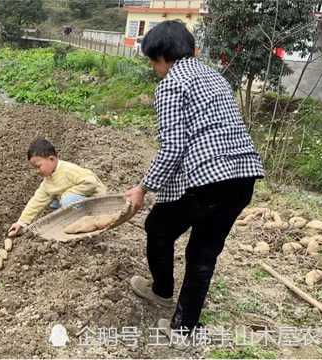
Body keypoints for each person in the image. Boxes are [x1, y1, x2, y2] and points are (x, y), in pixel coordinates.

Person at [123, 20, 264, 339]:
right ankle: (183, 327)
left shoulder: (171, 85)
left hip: (209, 181)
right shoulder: (215, 77)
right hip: (243, 177)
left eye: (152, 61)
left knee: (158, 227)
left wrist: (143, 188)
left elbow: (173, 147)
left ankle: (161, 291)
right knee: (203, 252)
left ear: (160, 57)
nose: (154, 68)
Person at [8, 137, 107, 237]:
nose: (37, 171)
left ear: (51, 159)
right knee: (54, 203)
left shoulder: (68, 170)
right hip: (77, 199)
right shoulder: (48, 181)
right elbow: (37, 201)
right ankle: (71, 213)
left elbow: (91, 182)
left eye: (38, 166)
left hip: (95, 199)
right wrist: (21, 223)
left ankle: (87, 220)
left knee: (67, 199)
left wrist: (68, 194)